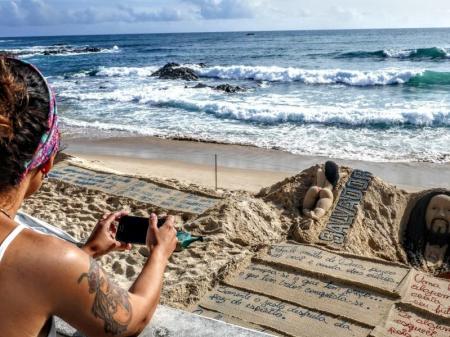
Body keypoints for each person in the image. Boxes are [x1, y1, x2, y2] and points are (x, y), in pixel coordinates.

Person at [0, 56, 178, 337]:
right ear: (45, 162)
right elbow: (131, 320)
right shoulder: (49, 260)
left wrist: (89, 252)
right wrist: (160, 253)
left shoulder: (45, 263)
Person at [404, 190, 450, 278]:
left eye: (449, 210)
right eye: (434, 208)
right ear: (423, 214)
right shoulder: (408, 247)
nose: (441, 214)